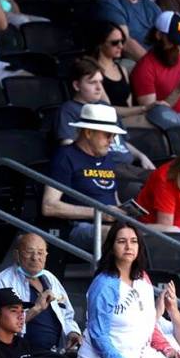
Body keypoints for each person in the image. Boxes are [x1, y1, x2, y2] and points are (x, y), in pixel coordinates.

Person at [78, 222, 180, 358]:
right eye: (122, 241)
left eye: (134, 241)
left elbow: (146, 324)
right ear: (111, 247)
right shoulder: (104, 284)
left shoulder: (143, 278)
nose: (129, 247)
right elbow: (98, 334)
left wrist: (167, 349)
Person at [54, 58, 154, 191]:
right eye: (92, 82)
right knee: (150, 188)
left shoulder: (106, 107)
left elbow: (121, 142)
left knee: (162, 180)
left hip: (129, 167)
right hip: (105, 169)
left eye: (100, 82)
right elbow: (68, 146)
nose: (99, 88)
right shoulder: (68, 110)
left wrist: (141, 156)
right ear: (77, 85)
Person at [43, 103, 124, 251]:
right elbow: (49, 206)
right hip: (78, 226)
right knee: (121, 237)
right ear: (88, 133)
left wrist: (124, 211)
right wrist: (99, 213)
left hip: (110, 225)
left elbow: (114, 199)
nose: (112, 140)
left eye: (114, 136)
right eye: (107, 135)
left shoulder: (108, 159)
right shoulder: (65, 156)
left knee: (154, 233)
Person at [0, 233, 82, 353]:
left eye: (40, 253)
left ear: (46, 256)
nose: (35, 257)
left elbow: (67, 314)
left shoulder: (50, 278)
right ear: (17, 255)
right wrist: (36, 309)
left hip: (56, 352)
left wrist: (72, 333)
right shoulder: (2, 281)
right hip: (19, 353)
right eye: (29, 252)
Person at [87, 22, 158, 128]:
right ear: (101, 44)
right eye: (115, 42)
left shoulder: (122, 69)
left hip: (128, 121)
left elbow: (128, 103)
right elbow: (107, 109)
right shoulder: (94, 71)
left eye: (122, 41)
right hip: (109, 123)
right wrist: (144, 108)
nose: (121, 46)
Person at [98, 0, 163, 60]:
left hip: (156, 63)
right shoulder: (109, 3)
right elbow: (126, 42)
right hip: (128, 62)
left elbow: (170, 34)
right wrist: (155, 67)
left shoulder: (150, 6)